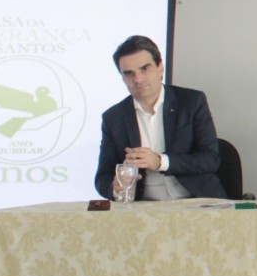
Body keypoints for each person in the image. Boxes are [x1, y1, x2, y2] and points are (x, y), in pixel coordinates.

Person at [93, 35, 226, 200]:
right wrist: (116, 187)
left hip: (196, 200)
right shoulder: (113, 117)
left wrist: (159, 161)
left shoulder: (191, 102)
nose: (138, 79)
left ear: (160, 68)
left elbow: (210, 160)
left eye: (144, 69)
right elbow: (102, 178)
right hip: (144, 206)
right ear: (122, 78)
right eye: (129, 73)